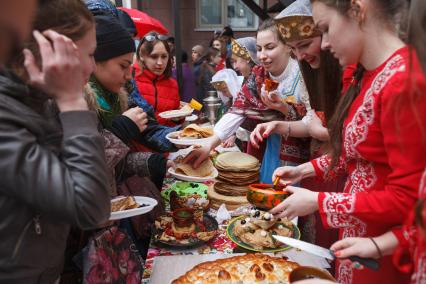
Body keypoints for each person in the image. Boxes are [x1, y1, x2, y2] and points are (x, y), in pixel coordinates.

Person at [269, 0, 426, 283]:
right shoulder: (368, 75)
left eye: (326, 29)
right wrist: (306, 170)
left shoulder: (403, 81)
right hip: (360, 237)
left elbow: (409, 200)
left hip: (384, 249)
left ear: (357, 10)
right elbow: (357, 156)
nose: (325, 43)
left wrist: (321, 200)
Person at [0, 0, 110, 282]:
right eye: (89, 54)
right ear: (54, 52)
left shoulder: (35, 100)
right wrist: (72, 100)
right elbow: (91, 207)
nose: (93, 65)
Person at [185, 19, 309, 170]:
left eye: (269, 47)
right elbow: (238, 110)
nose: (262, 56)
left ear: (288, 47)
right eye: (259, 48)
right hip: (272, 152)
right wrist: (209, 145)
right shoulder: (259, 76)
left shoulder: (304, 75)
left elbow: (317, 124)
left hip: (304, 161)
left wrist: (285, 109)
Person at [134, 32, 181, 127]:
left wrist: (177, 119)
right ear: (142, 56)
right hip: (134, 141)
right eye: (154, 56)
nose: (160, 62)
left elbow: (172, 124)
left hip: (164, 140)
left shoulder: (173, 84)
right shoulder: (130, 79)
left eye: (164, 56)